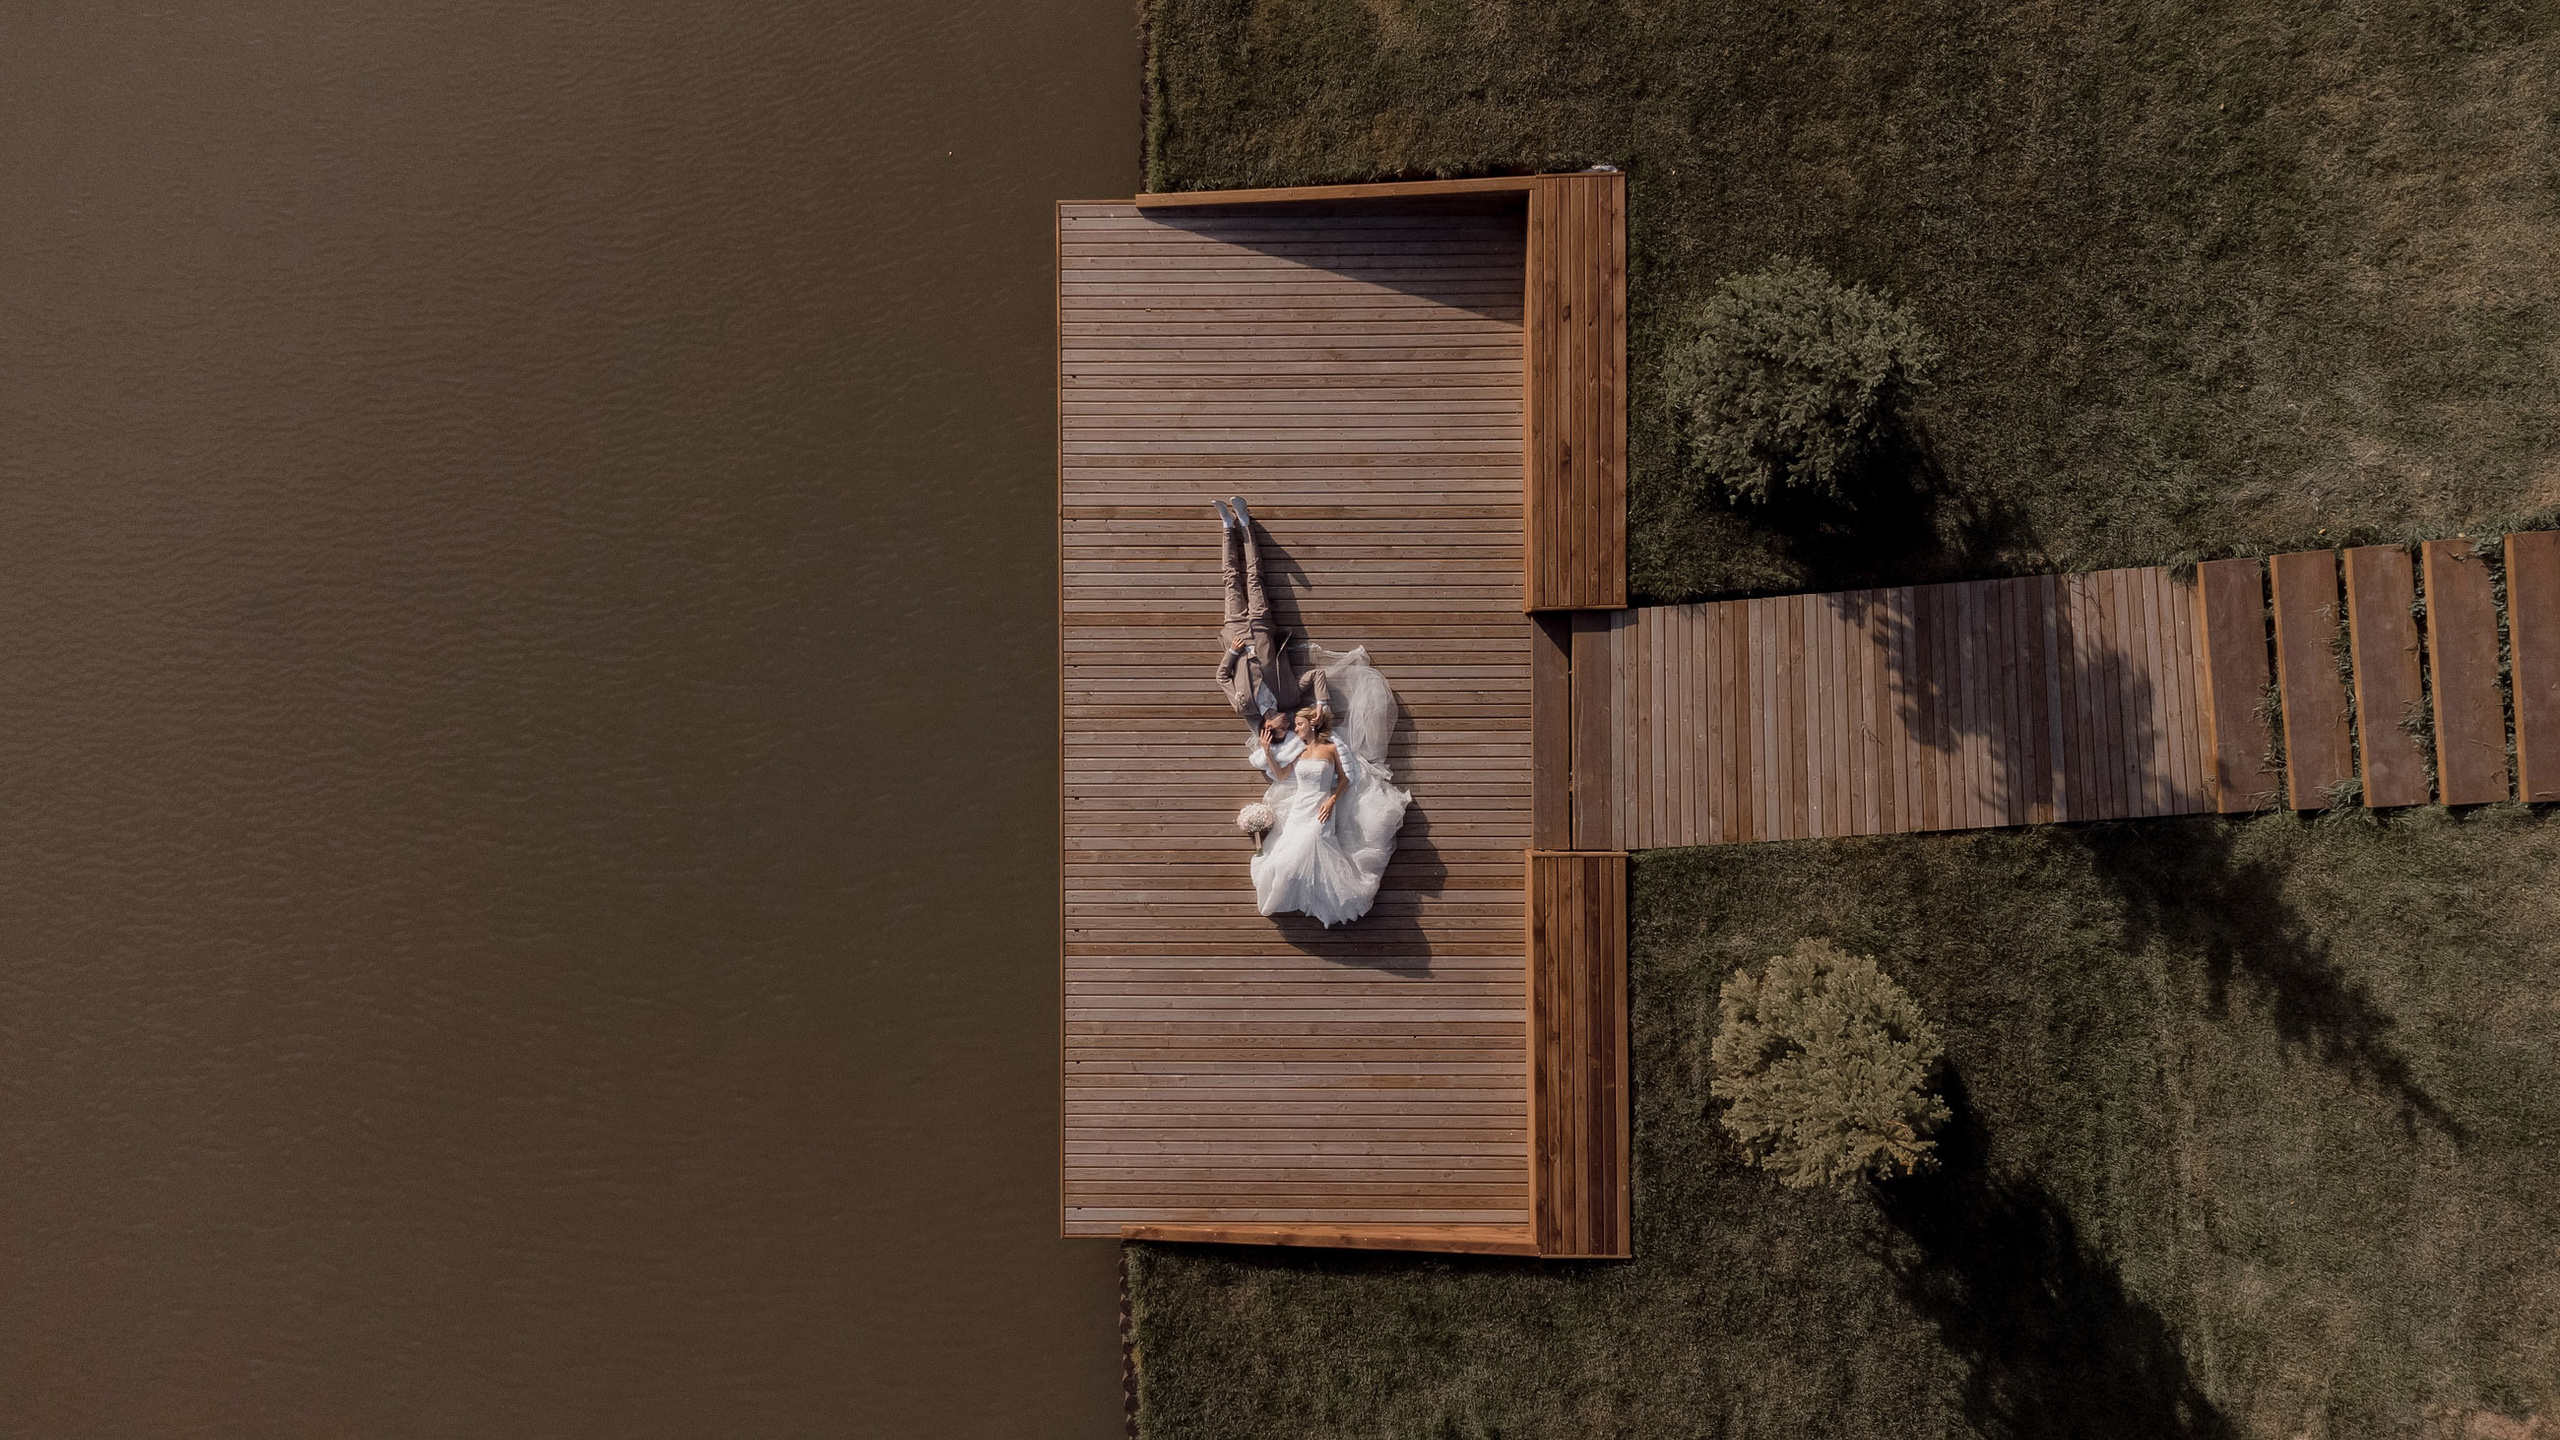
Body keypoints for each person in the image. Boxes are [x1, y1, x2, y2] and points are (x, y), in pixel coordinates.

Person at [1248, 671, 1414, 926]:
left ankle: (1328, 895)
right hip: (1300, 809)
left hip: (1322, 807)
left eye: (1299, 725)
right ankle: (1298, 891)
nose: (1296, 729)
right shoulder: (1299, 752)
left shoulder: (1332, 748)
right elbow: (1281, 775)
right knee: (1287, 861)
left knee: (1314, 843)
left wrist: (1331, 800)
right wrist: (1268, 752)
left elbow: (1345, 779)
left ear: (1311, 724)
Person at [1213, 496, 1325, 739]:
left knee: (1230, 578)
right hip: (1262, 626)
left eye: (1282, 729)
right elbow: (1317, 675)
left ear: (1267, 728)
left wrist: (1232, 653)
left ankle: (1226, 527)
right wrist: (1321, 705)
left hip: (1235, 630)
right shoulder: (1290, 697)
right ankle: (1244, 524)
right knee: (1255, 576)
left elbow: (1221, 677)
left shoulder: (1243, 707)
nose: (1288, 726)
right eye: (1289, 729)